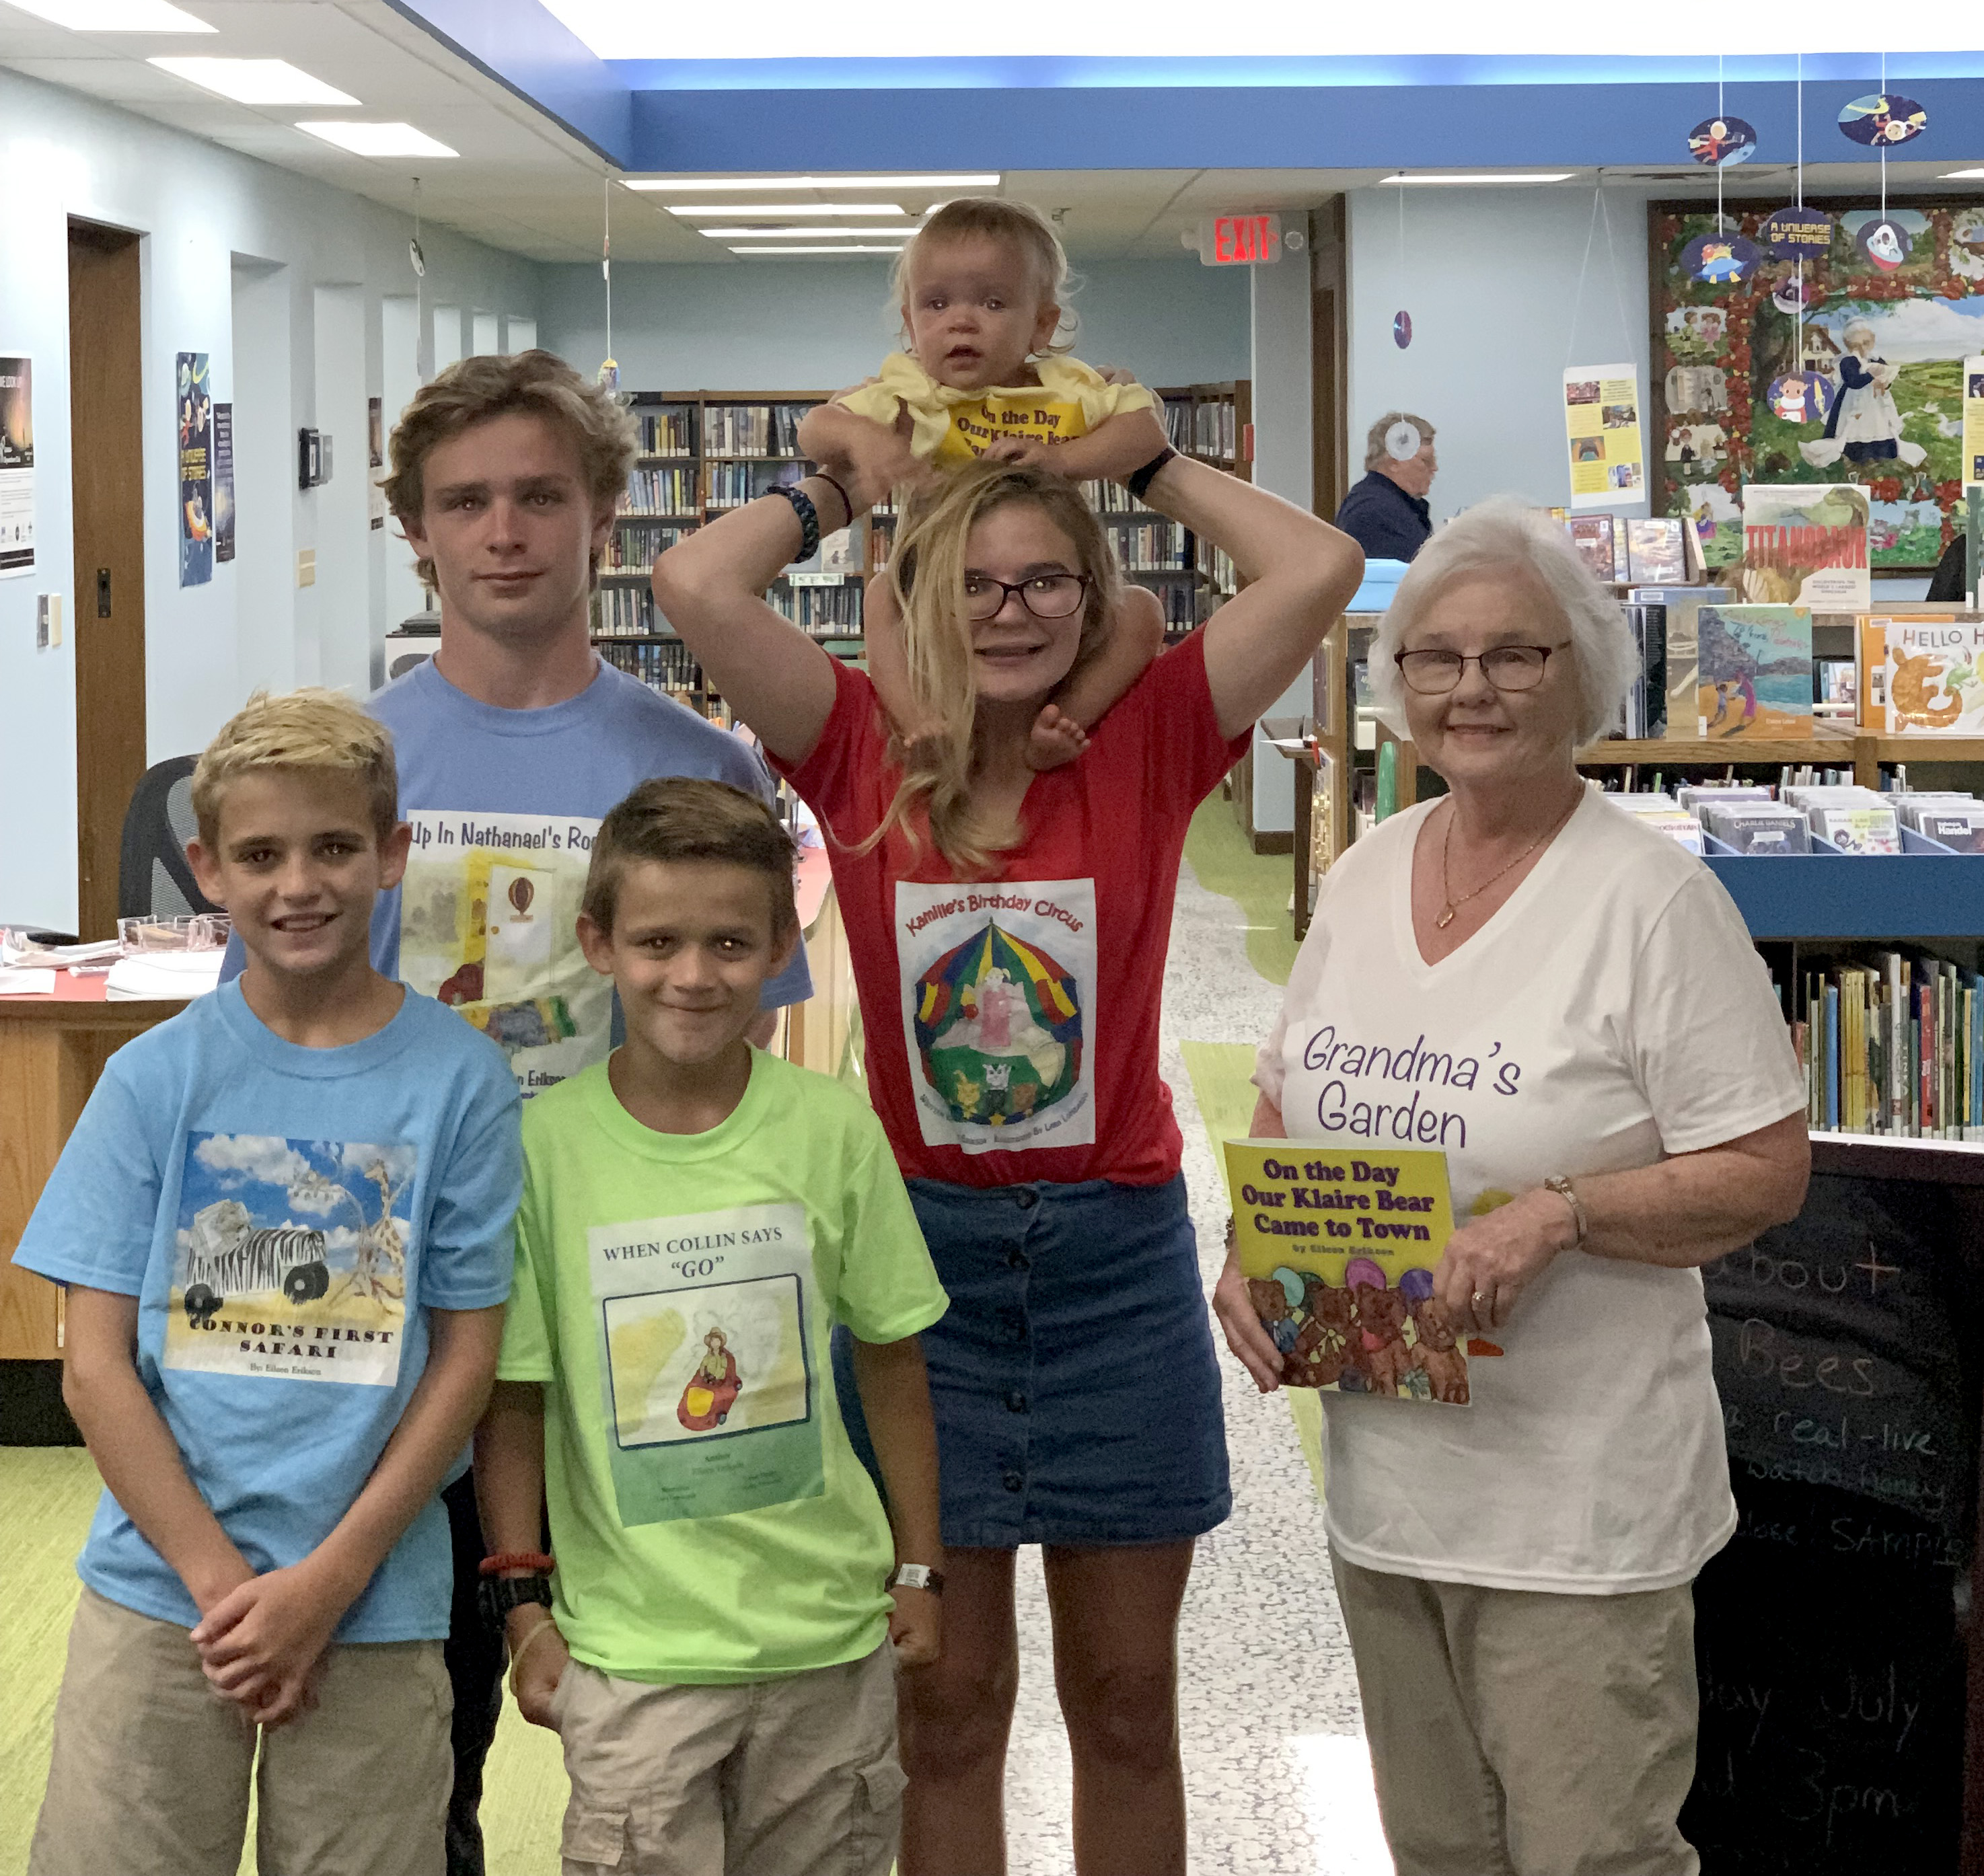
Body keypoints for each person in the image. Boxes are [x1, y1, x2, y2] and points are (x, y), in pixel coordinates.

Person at [652, 444, 1362, 1874]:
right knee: (947, 1706)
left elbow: (1319, 569)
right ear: (915, 597)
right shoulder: (853, 743)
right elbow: (695, 579)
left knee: (1125, 1700)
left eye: (1045, 580)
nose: (1009, 610)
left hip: (1115, 1255)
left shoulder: (1153, 733)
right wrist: (845, 478)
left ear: (1094, 602)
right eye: (970, 583)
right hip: (920, 1274)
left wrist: (1149, 454)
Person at [1214, 498, 1810, 1876]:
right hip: (1388, 1480)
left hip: (1576, 1510)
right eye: (1435, 656)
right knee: (1435, 1846)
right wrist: (1248, 1243)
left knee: (1586, 1851)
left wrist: (1566, 1210)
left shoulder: (1650, 900)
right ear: (1396, 682)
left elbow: (1765, 1167)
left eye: (1514, 655)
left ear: (1579, 673)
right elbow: (1285, 1087)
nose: (1470, 687)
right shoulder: (1363, 870)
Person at [363, 350, 817, 1873]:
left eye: (540, 496)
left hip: (646, 1323)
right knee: (417, 1769)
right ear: (415, 529)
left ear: (606, 517)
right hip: (408, 1340)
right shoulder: (358, 768)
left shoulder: (698, 766)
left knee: (667, 1766)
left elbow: (768, 1056)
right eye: (465, 501)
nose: (504, 531)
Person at [19, 689, 521, 1876]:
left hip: (375, 1597)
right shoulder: (154, 1078)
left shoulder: (461, 1080)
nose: (300, 883)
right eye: (260, 854)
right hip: (159, 1591)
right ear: (207, 870)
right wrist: (216, 1577)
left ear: (392, 854)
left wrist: (326, 1580)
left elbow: (464, 1356)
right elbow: (92, 1366)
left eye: (335, 846)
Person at [474, 778, 948, 1875]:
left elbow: (892, 1357)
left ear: (782, 944)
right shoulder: (542, 1147)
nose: (692, 974)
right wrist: (521, 1604)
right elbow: (514, 1391)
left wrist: (920, 1566)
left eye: (731, 941)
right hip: (636, 1654)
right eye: (656, 940)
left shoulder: (830, 1126)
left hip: (826, 1637)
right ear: (598, 943)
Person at [798, 198, 1169, 770]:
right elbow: (815, 429)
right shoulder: (909, 390)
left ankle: (1062, 719)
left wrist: (1062, 457)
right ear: (910, 322)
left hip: (1050, 590)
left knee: (1142, 613)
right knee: (879, 597)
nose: (961, 320)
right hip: (934, 584)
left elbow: (1144, 431)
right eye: (936, 303)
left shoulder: (1067, 387)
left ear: (1042, 324)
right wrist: (860, 438)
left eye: (993, 302)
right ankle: (917, 719)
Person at [1799, 320, 1928, 469]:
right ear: (1848, 344)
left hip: (1876, 401)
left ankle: (1881, 453)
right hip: (1853, 402)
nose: (1861, 348)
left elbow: (1887, 376)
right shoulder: (1847, 361)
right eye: (1856, 345)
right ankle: (1855, 454)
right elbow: (1853, 381)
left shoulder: (1877, 359)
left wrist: (1885, 382)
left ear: (1872, 341)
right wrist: (1871, 375)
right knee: (1853, 428)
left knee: (1879, 425)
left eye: (1866, 343)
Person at [1333, 412, 1438, 562]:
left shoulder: (1382, 506)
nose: (1434, 468)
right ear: (1394, 462)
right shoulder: (1372, 514)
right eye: (1426, 460)